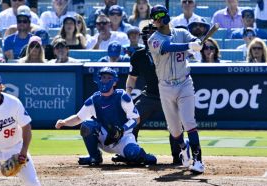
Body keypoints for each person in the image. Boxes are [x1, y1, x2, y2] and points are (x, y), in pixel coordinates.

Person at [55, 67, 157, 166]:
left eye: (109, 78)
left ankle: (142, 155)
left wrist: (122, 129)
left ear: (114, 82)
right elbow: (78, 118)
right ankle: (94, 156)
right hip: (104, 138)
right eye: (103, 77)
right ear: (98, 80)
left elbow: (136, 119)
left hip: (123, 137)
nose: (105, 80)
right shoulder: (94, 99)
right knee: (87, 125)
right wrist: (64, 122)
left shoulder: (122, 96)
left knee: (133, 154)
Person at [148, 5, 205, 174]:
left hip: (184, 83)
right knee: (174, 129)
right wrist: (189, 45)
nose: (156, 20)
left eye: (158, 17)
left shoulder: (181, 33)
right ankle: (183, 148)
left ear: (165, 16)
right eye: (154, 18)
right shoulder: (153, 39)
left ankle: (198, 160)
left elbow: (195, 44)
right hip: (165, 86)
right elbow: (168, 47)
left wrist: (197, 45)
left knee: (189, 122)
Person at [123, 23, 183, 165]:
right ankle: (130, 153)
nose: (150, 36)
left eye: (153, 33)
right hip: (149, 94)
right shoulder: (138, 55)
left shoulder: (169, 51)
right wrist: (127, 95)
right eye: (147, 34)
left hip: (168, 94)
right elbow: (132, 77)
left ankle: (178, 155)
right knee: (132, 120)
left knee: (176, 125)